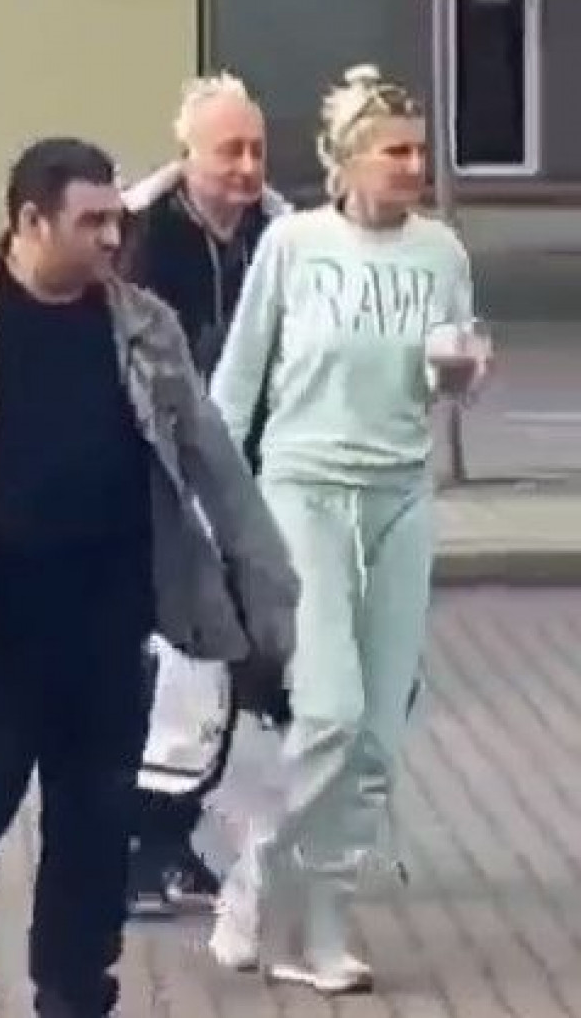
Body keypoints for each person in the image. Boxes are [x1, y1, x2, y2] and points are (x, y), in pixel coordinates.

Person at [0, 136, 299, 1018]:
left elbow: (214, 462)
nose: (113, 238)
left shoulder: (142, 326)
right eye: (92, 222)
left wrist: (267, 598)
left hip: (108, 624)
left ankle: (73, 996)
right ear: (30, 221)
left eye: (117, 219)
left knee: (93, 829)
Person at [206, 65, 493, 994]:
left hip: (400, 496)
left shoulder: (441, 252)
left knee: (374, 735)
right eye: (395, 150)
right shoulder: (294, 245)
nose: (414, 165)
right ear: (348, 160)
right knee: (327, 711)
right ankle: (260, 884)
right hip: (303, 490)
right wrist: (220, 510)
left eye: (421, 151)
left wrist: (462, 374)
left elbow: (452, 370)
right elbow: (237, 380)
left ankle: (320, 923)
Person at [117, 72, 292, 915]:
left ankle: (168, 840)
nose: (247, 167)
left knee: (229, 663)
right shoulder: (140, 234)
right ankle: (142, 847)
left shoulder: (284, 233)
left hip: (250, 472)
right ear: (188, 154)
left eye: (257, 149)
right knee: (186, 668)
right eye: (230, 151)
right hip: (161, 471)